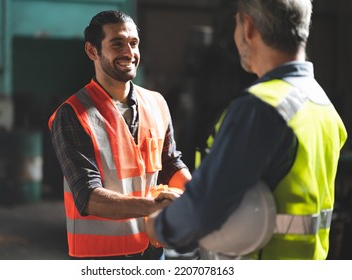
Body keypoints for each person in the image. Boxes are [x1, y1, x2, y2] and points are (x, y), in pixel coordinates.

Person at [146, 0, 348, 260]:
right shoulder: (321, 104)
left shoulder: (261, 108)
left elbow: (204, 212)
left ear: (248, 27)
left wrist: (160, 225)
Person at [48, 10, 191, 260]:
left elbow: (169, 163)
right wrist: (157, 206)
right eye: (117, 43)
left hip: (153, 249)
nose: (129, 52)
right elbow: (88, 196)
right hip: (102, 258)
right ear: (92, 51)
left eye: (133, 43)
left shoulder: (156, 103)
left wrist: (196, 194)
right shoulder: (73, 113)